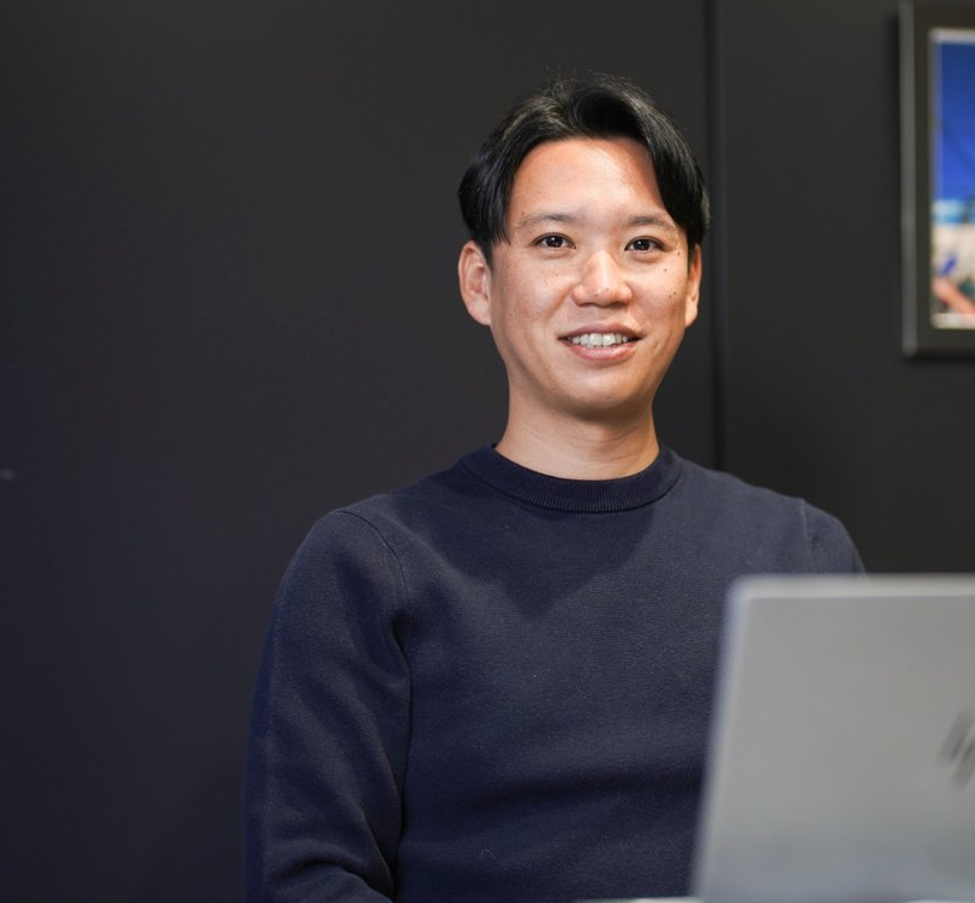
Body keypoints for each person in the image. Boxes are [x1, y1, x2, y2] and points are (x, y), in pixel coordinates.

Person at [243, 73, 863, 903]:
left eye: (643, 245)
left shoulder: (801, 553)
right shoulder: (370, 566)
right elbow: (306, 880)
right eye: (554, 242)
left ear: (691, 282)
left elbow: (869, 849)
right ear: (480, 281)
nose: (603, 284)